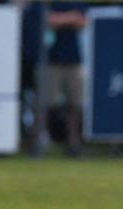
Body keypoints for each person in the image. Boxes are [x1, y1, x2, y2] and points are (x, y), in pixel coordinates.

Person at [45, 1, 86, 157]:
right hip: (50, 60)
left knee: (74, 105)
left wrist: (59, 20)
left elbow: (82, 21)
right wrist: (71, 18)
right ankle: (40, 141)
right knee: (46, 103)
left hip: (73, 60)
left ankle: (73, 143)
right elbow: (47, 19)